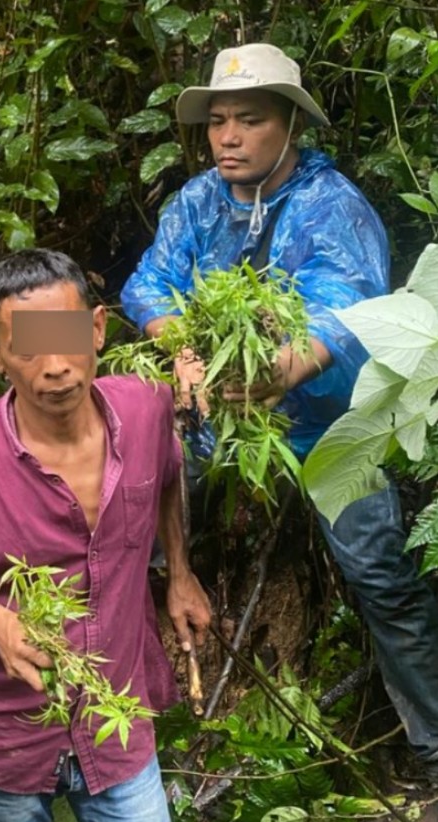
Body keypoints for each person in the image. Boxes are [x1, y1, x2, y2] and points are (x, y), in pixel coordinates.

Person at [122, 43, 438, 781]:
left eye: (250, 120)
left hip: (331, 426)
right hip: (219, 419)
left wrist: (281, 370)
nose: (228, 137)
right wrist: (184, 350)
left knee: (380, 574)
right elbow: (147, 285)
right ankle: (146, 716)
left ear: (291, 125)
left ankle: (432, 742)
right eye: (218, 122)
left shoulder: (332, 205)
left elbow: (342, 307)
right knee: (134, 508)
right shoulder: (198, 202)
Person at [0, 249, 212, 822]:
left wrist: (179, 574)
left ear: (97, 329)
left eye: (67, 338)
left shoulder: (146, 408)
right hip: (9, 735)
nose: (55, 367)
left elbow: (167, 474)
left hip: (117, 721)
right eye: (29, 347)